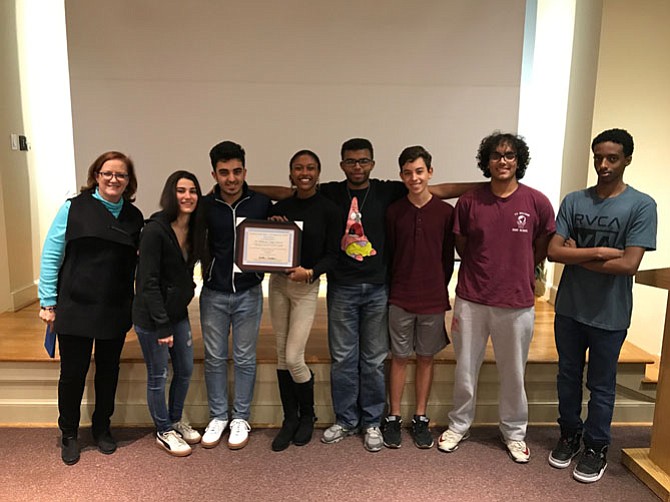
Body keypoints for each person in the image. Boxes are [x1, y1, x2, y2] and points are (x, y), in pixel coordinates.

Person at [255, 137, 478, 452]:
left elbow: (438, 189)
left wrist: (487, 183)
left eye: (363, 161)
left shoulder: (389, 190)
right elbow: (289, 192)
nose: (357, 167)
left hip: (377, 288)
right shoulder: (331, 191)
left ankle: (372, 421)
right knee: (344, 358)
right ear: (342, 164)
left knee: (373, 360)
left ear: (372, 164)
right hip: (342, 287)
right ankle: (346, 420)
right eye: (350, 161)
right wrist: (247, 189)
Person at [437, 132, 555, 463]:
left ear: (519, 161)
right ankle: (459, 425)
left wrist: (525, 268)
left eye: (509, 155)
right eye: (496, 155)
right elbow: (462, 245)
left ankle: (514, 432)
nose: (503, 161)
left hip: (517, 303)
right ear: (486, 162)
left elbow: (543, 243)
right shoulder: (470, 201)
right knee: (465, 368)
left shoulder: (536, 201)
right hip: (472, 299)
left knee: (514, 371)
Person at [547, 128, 656, 483]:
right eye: (598, 157)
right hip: (570, 308)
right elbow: (552, 250)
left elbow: (629, 265)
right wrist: (597, 252)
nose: (603, 164)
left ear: (626, 159)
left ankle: (596, 447)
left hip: (610, 313)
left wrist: (575, 256)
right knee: (567, 377)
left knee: (602, 384)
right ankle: (569, 434)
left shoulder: (641, 205)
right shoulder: (574, 200)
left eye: (611, 158)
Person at [38, 151, 144, 465]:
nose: (114, 179)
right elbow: (51, 254)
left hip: (114, 306)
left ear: (129, 181)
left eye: (121, 175)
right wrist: (47, 301)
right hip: (75, 305)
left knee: (108, 372)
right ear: (96, 175)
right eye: (107, 173)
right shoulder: (73, 208)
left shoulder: (134, 217)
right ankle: (69, 433)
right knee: (73, 373)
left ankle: (102, 428)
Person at [267, 150, 341, 451]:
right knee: (282, 356)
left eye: (310, 167)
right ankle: (290, 419)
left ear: (319, 172)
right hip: (278, 285)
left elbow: (334, 256)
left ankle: (308, 416)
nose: (304, 172)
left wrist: (310, 272)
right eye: (298, 167)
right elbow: (266, 245)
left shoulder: (330, 209)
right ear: (291, 172)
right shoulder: (281, 207)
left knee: (295, 356)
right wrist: (274, 227)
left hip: (307, 287)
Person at [200, 141, 272, 450]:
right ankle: (218, 416)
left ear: (245, 170)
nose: (232, 178)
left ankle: (241, 417)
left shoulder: (261, 204)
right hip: (214, 293)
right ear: (214, 173)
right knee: (215, 358)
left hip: (249, 292)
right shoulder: (203, 205)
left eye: (237, 171)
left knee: (244, 357)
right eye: (224, 172)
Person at [381, 146, 454, 450]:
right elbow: (390, 254)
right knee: (398, 357)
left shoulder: (446, 213)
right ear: (401, 176)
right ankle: (394, 416)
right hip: (400, 296)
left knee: (425, 358)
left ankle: (420, 416)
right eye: (408, 173)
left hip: (433, 299)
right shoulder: (394, 211)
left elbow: (447, 259)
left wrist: (439, 287)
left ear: (430, 172)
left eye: (420, 171)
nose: (414, 178)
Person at [133, 171, 207, 457]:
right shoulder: (154, 229)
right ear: (170, 194)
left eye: (193, 191)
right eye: (181, 190)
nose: (187, 196)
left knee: (185, 369)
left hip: (177, 314)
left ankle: (176, 419)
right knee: (158, 375)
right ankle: (163, 430)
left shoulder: (195, 229)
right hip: (153, 319)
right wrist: (162, 326)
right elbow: (147, 281)